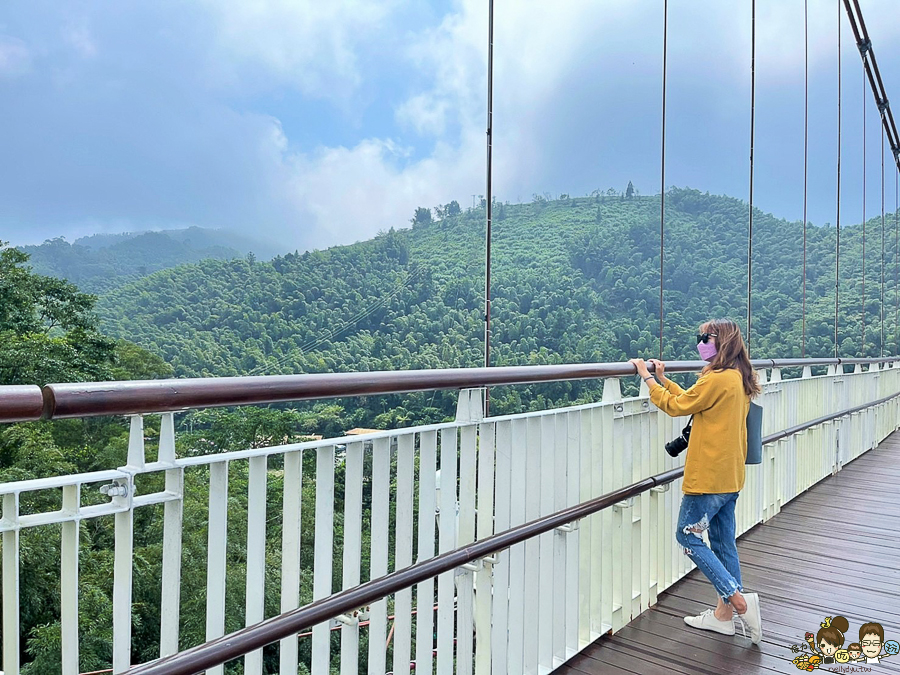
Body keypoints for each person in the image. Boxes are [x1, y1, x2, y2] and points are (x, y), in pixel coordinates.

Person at [629, 318, 763, 644]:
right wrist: (663, 379)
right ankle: (723, 617)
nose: (701, 340)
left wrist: (646, 378)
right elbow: (694, 399)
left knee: (687, 536)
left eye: (707, 336)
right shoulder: (738, 378)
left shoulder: (717, 379)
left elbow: (677, 406)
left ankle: (739, 601)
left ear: (722, 341)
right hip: (730, 476)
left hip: (708, 479)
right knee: (723, 543)